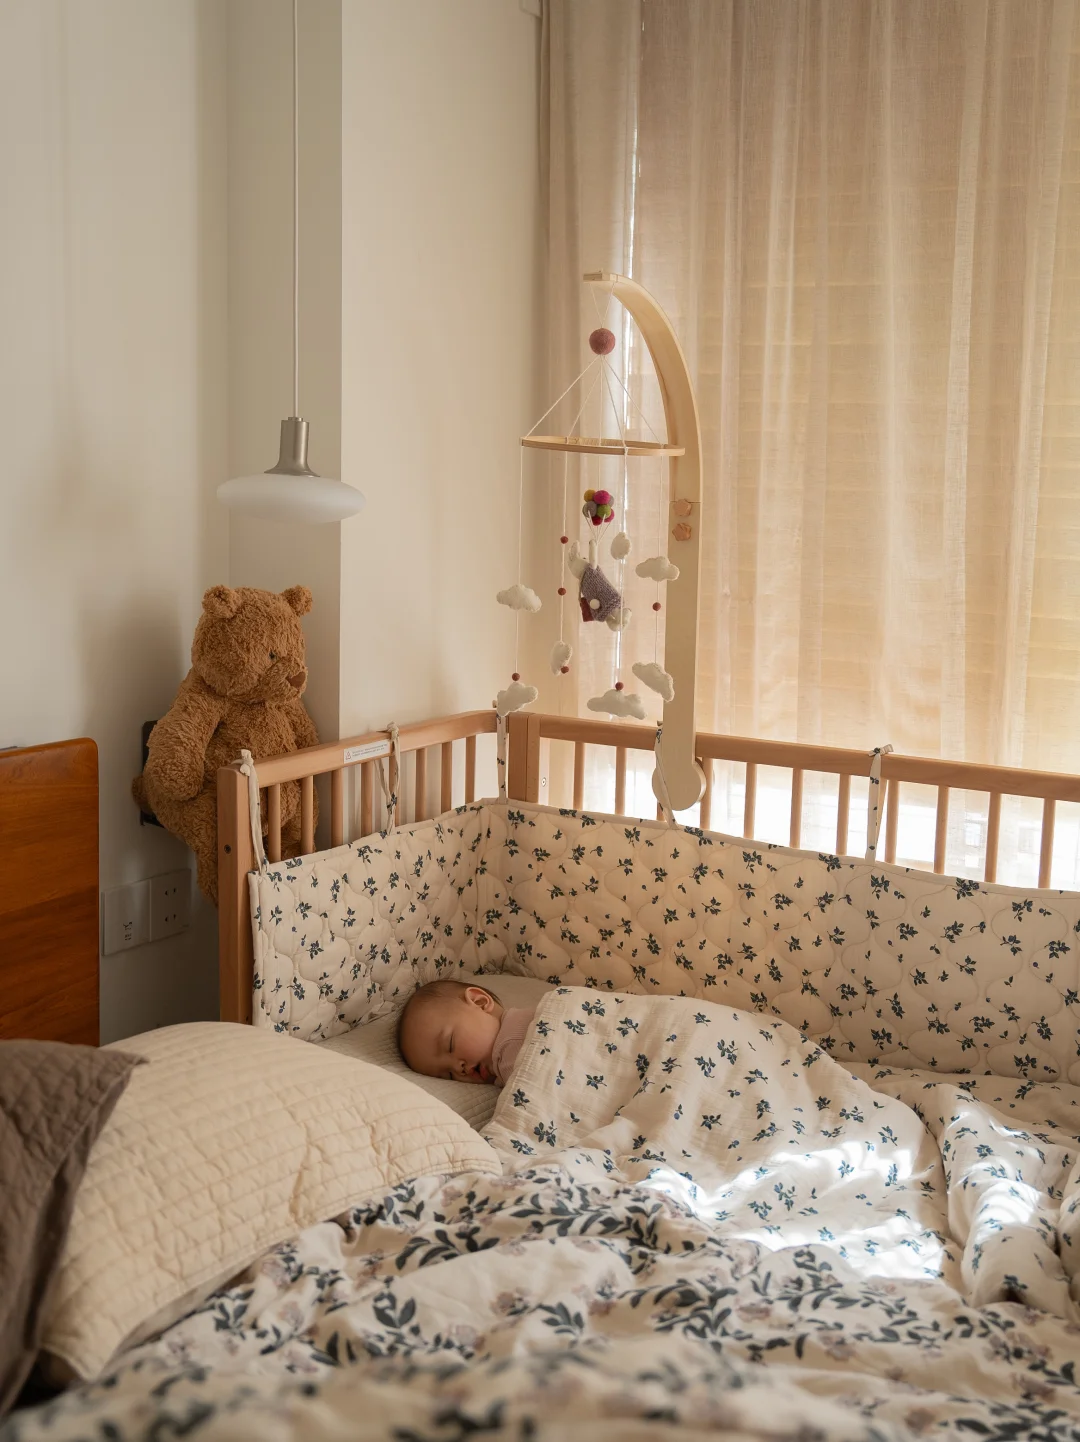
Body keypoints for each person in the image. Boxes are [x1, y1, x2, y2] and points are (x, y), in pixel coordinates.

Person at [397, 979, 533, 1085]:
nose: (458, 1068)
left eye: (450, 1045)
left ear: (480, 1002)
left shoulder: (512, 1042)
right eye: (449, 1075)